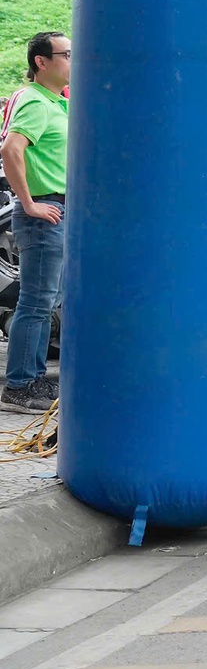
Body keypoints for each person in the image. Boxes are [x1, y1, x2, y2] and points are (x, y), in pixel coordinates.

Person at [1, 32, 69, 413]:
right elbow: (11, 148)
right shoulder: (33, 100)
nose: (72, 60)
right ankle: (19, 386)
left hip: (59, 210)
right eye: (66, 54)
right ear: (41, 62)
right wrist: (28, 203)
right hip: (45, 211)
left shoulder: (56, 102)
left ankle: (32, 378)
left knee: (48, 300)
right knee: (37, 301)